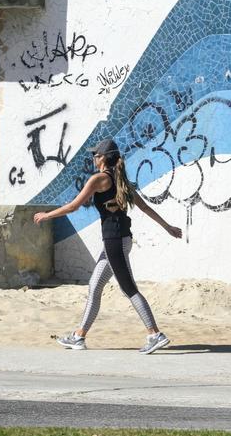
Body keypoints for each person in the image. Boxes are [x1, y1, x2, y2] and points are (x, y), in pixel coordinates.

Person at [34, 138, 182, 354]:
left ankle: (155, 333)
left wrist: (47, 215)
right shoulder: (121, 180)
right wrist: (167, 227)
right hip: (121, 239)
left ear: (103, 158)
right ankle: (79, 336)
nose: (93, 158)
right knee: (95, 285)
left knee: (128, 288)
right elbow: (146, 208)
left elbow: (74, 206)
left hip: (114, 241)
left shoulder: (99, 179)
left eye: (96, 155)